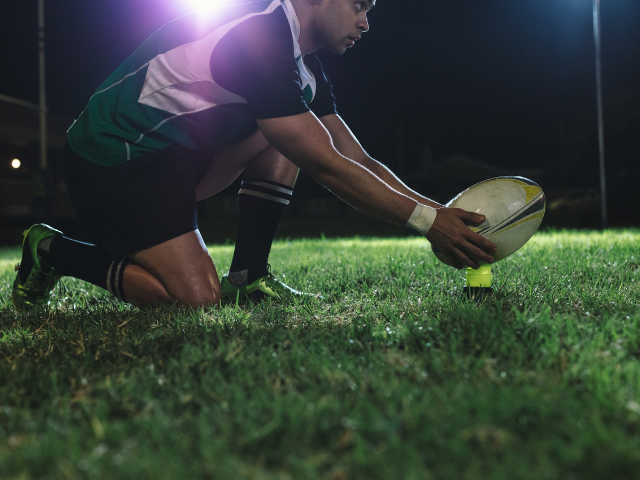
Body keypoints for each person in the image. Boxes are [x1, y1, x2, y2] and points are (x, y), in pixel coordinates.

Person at [12, 0, 497, 312]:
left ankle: (248, 276)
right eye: (358, 5)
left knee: (292, 132)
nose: (366, 22)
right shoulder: (257, 40)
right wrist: (428, 224)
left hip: (177, 157)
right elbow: (329, 166)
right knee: (195, 301)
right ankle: (53, 250)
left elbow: (357, 159)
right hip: (113, 160)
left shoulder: (302, 67)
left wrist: (439, 214)